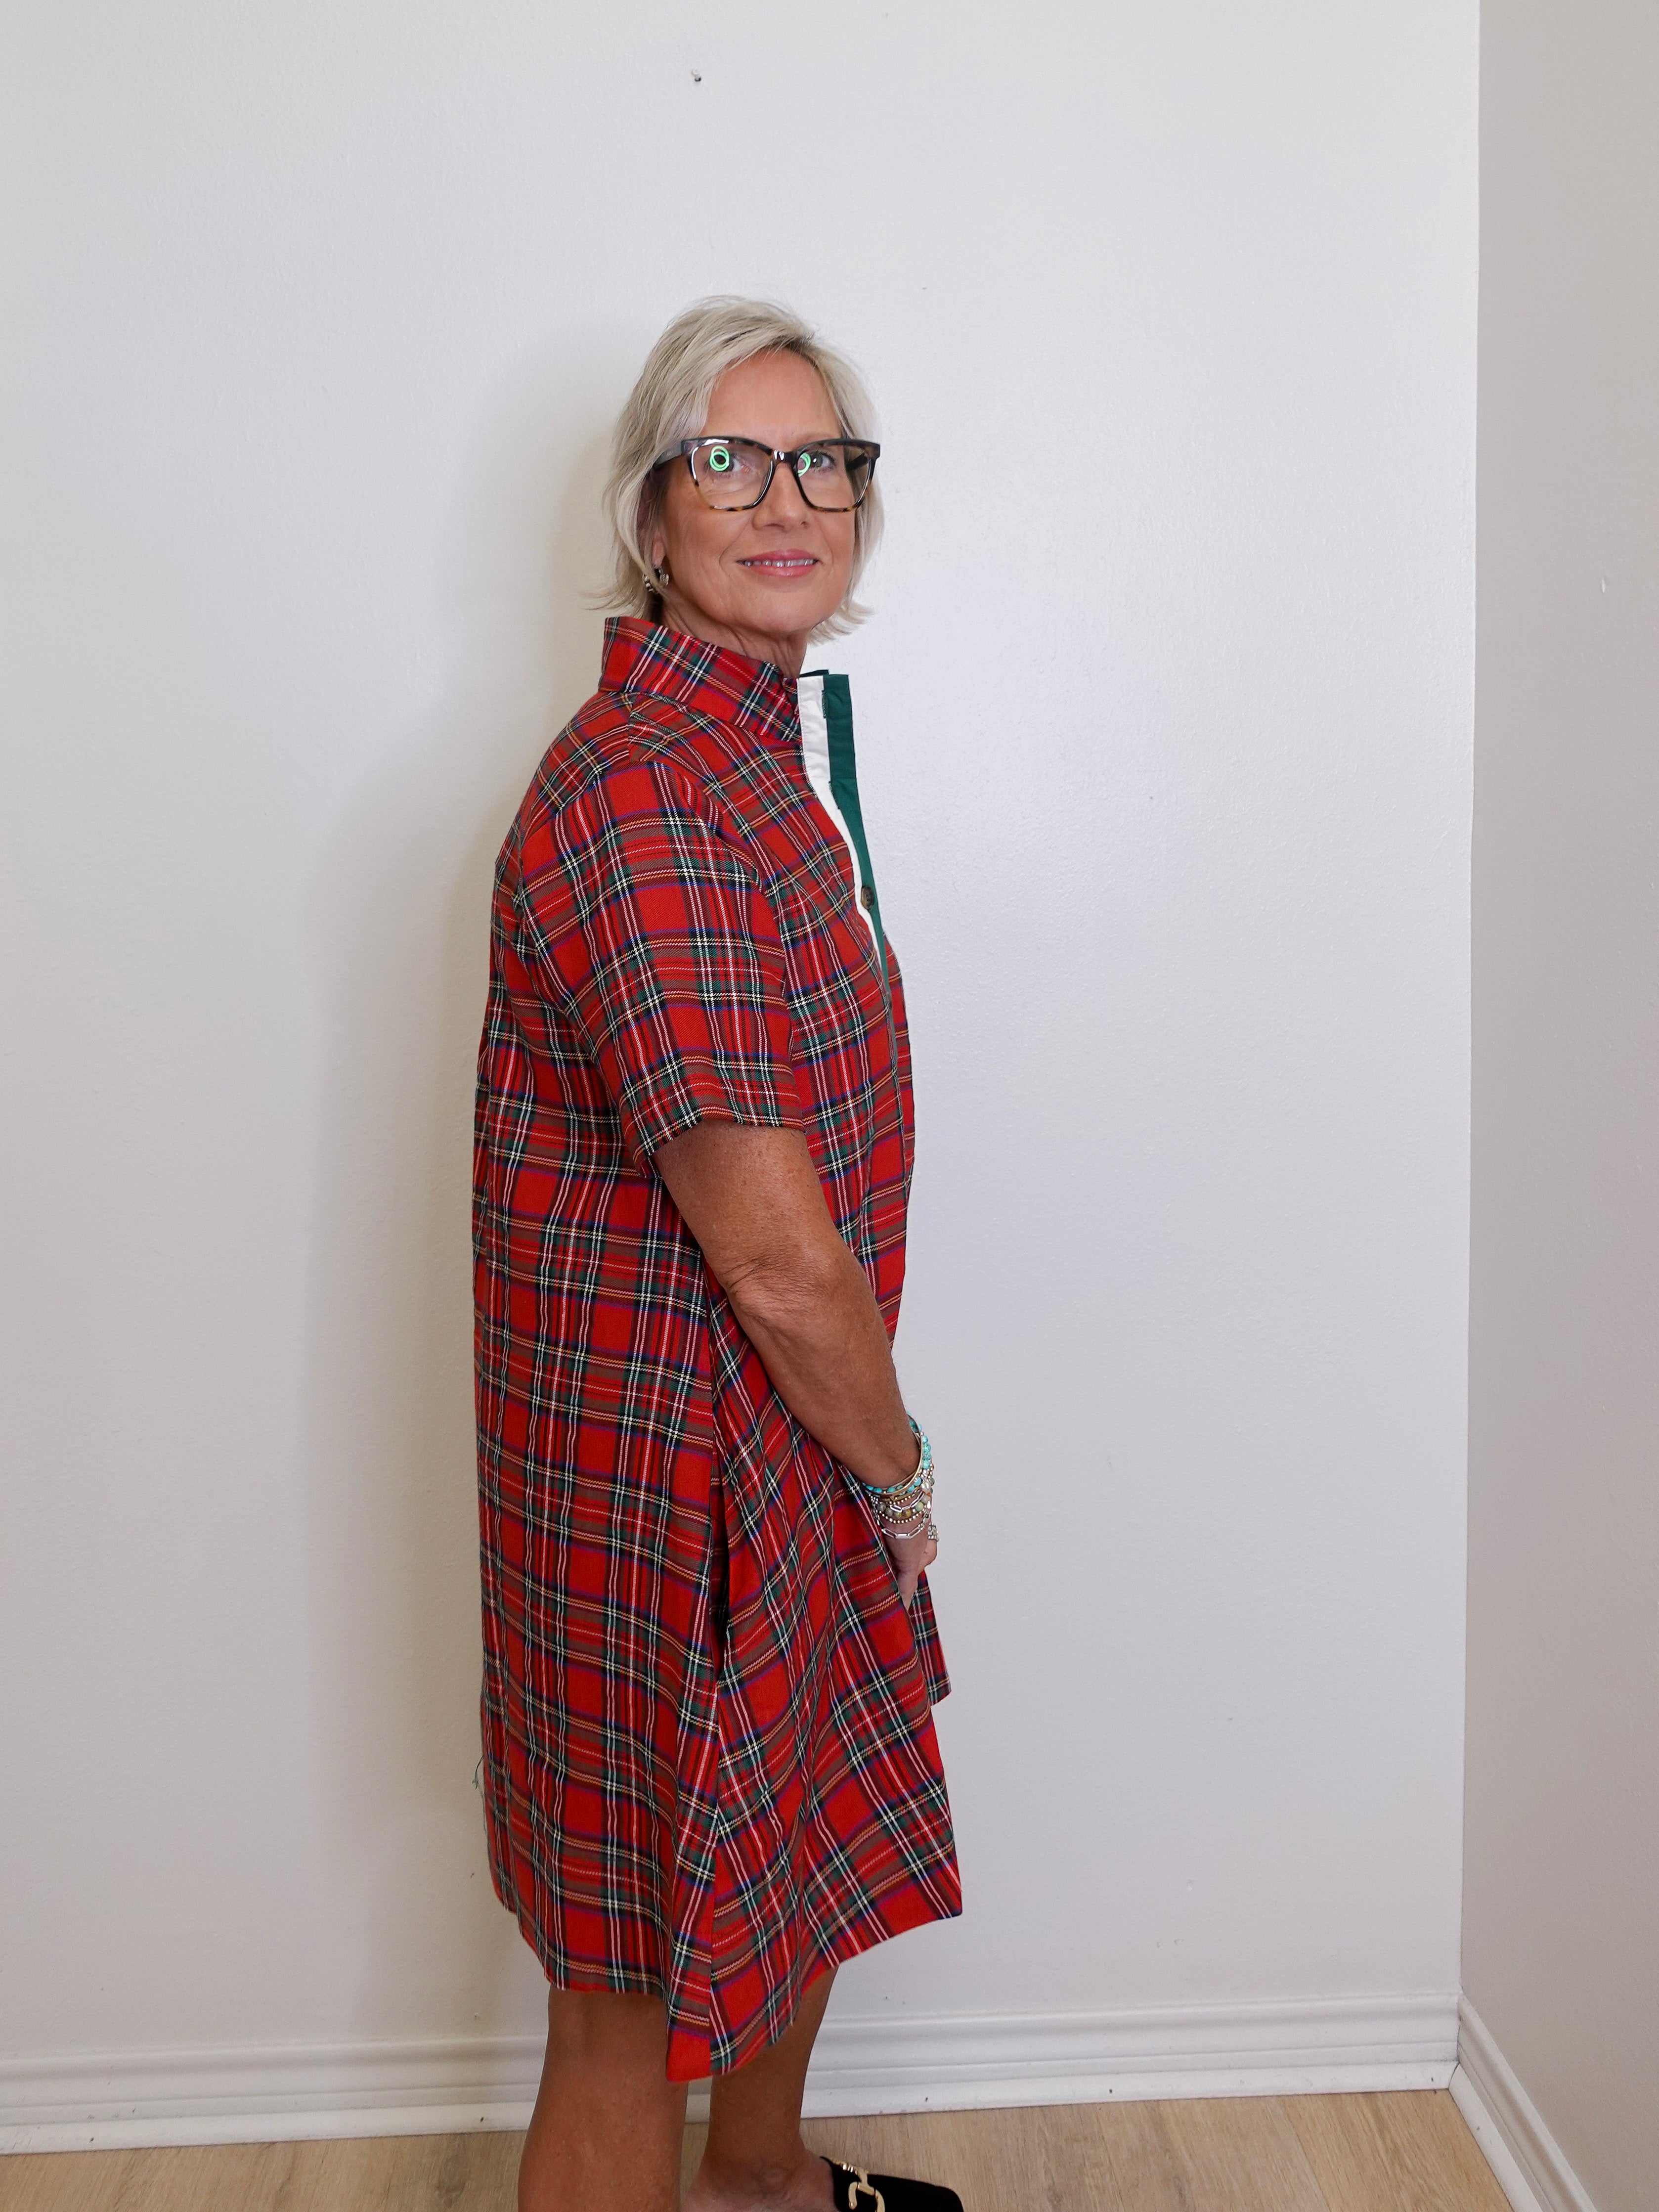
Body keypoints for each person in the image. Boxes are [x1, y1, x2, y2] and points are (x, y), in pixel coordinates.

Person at [474, 297, 961, 2212]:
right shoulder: (646, 793)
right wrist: (899, 1460)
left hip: (784, 1449)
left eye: (822, 460)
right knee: (619, 1998)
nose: (787, 499)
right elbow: (767, 1260)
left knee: (795, 1860)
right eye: (729, 459)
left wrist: (856, 1459)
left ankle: (754, 2188)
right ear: (647, 511)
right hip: (666, 1492)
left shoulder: (766, 757)